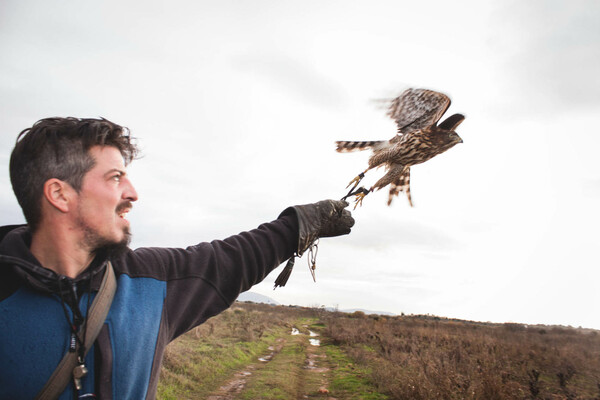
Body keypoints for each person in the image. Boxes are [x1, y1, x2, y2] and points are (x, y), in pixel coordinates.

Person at [0, 117, 354, 399]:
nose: (132, 193)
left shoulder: (149, 281)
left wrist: (300, 224)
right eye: (115, 177)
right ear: (59, 194)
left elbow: (231, 259)